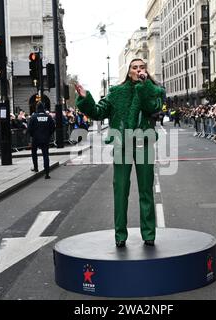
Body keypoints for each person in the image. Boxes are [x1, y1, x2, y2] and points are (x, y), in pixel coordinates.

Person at [75, 58, 164, 248]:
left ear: (146, 71)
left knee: (146, 190)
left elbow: (153, 107)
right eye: (135, 67)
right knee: (121, 189)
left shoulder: (154, 90)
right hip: (122, 144)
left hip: (143, 142)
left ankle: (149, 234)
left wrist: (144, 85)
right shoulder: (116, 92)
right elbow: (98, 112)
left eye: (142, 67)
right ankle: (120, 235)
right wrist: (85, 98)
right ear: (129, 71)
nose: (138, 70)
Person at [28, 102, 55, 180]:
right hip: (45, 139)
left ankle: (36, 167)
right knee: (45, 155)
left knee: (34, 153)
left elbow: (29, 129)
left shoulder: (33, 117)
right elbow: (53, 128)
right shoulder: (48, 117)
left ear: (37, 108)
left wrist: (33, 135)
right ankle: (47, 173)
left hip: (36, 139)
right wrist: (48, 135)